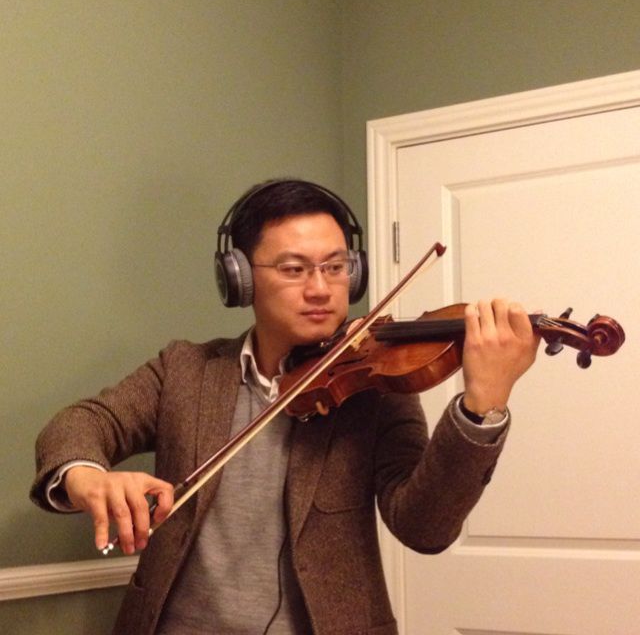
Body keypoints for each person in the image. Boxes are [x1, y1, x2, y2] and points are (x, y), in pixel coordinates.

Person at [30, 179, 539, 635]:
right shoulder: (185, 370)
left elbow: (424, 527)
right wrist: (86, 477)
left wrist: (482, 406)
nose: (320, 289)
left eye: (335, 267)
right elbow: (83, 423)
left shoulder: (377, 388)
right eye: (294, 269)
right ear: (240, 278)